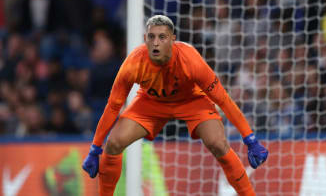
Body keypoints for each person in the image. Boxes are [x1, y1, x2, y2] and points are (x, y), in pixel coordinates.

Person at [82, 15, 268, 196]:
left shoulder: (191, 60)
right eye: (151, 37)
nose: (156, 42)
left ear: (172, 40)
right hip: (151, 103)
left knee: (218, 144)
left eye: (162, 37)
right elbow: (113, 106)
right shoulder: (133, 63)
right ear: (145, 39)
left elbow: (223, 100)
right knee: (113, 143)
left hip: (191, 101)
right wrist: (95, 148)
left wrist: (249, 139)